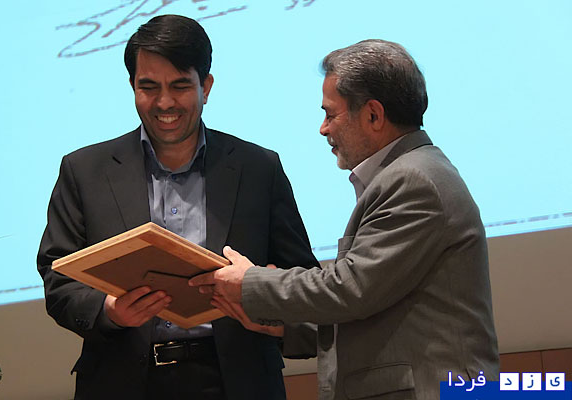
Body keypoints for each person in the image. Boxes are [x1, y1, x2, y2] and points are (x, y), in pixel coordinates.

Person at [190, 39, 500, 400]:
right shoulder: (412, 173)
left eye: (330, 114)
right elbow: (374, 307)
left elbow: (350, 289)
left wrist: (250, 282)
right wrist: (283, 326)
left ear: (373, 115)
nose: (323, 129)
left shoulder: (413, 180)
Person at [37, 14, 318, 400]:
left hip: (239, 380)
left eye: (180, 86)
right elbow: (58, 278)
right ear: (132, 86)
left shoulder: (258, 168)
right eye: (148, 87)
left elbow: (303, 279)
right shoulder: (84, 170)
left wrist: (264, 299)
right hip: (122, 381)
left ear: (206, 86)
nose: (164, 102)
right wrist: (109, 310)